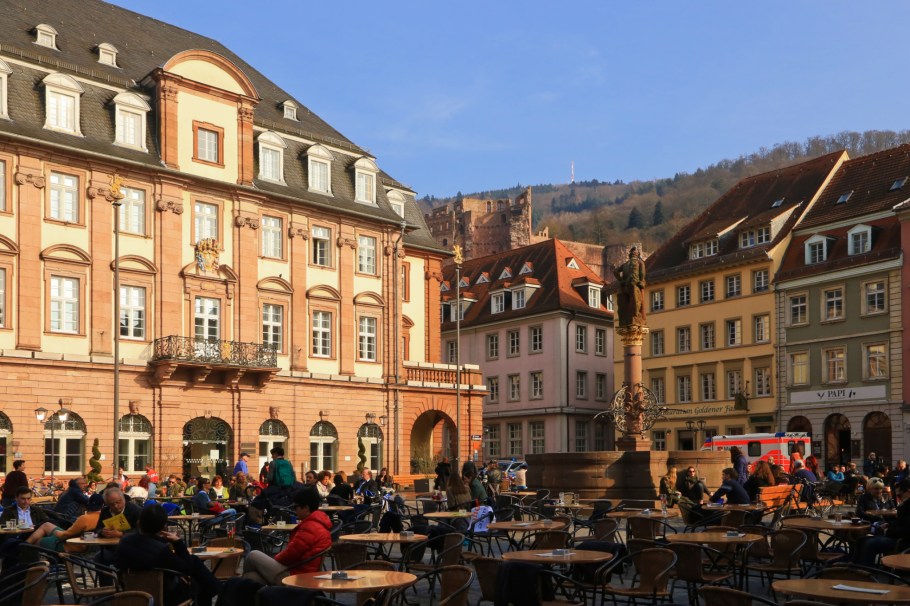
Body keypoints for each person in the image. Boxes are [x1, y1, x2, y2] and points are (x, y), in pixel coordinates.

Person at [117, 504, 222, 606]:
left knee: (195, 563)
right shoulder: (160, 550)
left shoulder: (124, 542)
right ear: (163, 527)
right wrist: (178, 542)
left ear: (139, 523)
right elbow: (186, 569)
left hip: (130, 592)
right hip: (163, 596)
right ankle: (220, 589)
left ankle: (218, 588)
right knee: (203, 585)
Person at [243, 487, 331, 585]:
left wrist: (272, 561)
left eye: (296, 507)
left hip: (297, 576)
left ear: (306, 508)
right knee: (250, 577)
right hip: (301, 571)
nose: (294, 510)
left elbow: (290, 555)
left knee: (253, 555)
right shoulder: (318, 524)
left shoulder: (310, 527)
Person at [855, 478, 910, 566]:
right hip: (899, 537)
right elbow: (902, 522)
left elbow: (907, 531)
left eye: (899, 496)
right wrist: (889, 524)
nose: (898, 499)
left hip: (904, 541)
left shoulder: (906, 505)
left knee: (869, 544)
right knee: (861, 540)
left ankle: (865, 572)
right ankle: (855, 568)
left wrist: (887, 531)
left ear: (908, 491)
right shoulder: (905, 504)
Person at [28, 493, 104, 552]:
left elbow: (65, 535)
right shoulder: (104, 518)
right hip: (85, 545)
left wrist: (57, 532)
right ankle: (25, 545)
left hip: (70, 545)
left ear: (88, 504)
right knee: (46, 525)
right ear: (102, 505)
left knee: (36, 541)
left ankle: (24, 546)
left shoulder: (84, 518)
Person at [0, 487, 51, 568]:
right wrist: (22, 527)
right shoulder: (9, 511)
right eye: (23, 499)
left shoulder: (36, 510)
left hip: (35, 535)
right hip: (17, 536)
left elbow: (47, 522)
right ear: (16, 498)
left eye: (28, 498)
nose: (26, 501)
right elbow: (2, 526)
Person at [612, 246, 647, 328]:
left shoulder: (625, 265)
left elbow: (615, 271)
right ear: (637, 254)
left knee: (625, 303)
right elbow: (642, 273)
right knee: (636, 301)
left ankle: (625, 318)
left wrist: (621, 280)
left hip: (625, 286)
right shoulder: (640, 262)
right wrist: (642, 282)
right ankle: (636, 315)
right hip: (634, 284)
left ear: (630, 255)